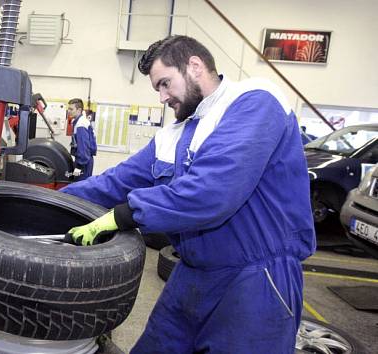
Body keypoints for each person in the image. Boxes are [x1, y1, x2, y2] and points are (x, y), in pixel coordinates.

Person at [60, 35, 316, 353]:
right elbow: (115, 182)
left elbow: (211, 192)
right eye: (158, 89)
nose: (162, 98)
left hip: (256, 280)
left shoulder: (255, 101)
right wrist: (49, 201)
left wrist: (123, 215)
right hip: (193, 273)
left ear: (194, 66)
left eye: (165, 84)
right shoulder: (175, 134)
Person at [67, 98, 97, 181]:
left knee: (79, 185)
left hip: (84, 163)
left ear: (79, 110)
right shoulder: (78, 121)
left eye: (71, 109)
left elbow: (84, 148)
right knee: (76, 182)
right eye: (68, 109)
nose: (68, 111)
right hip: (83, 160)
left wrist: (78, 167)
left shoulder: (81, 124)